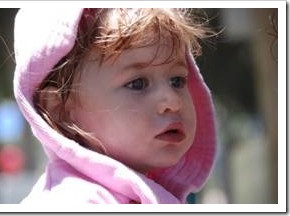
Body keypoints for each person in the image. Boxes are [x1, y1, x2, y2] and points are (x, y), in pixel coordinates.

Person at [13, 8, 217, 204]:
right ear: (61, 111)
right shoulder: (73, 201)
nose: (172, 101)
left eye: (177, 81)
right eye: (137, 84)